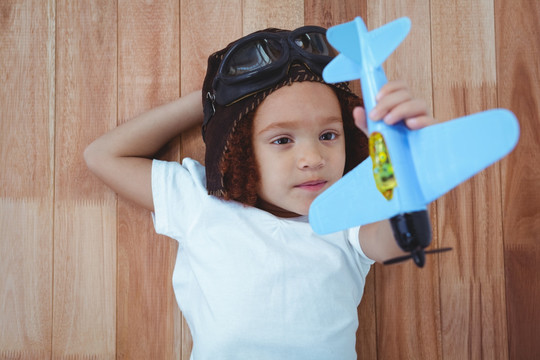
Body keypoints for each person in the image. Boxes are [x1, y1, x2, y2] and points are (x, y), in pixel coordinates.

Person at [85, 26, 433, 360]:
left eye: (328, 135)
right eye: (282, 140)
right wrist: (209, 104)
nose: (313, 159)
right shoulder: (198, 202)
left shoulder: (348, 215)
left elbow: (396, 239)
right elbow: (103, 156)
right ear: (240, 150)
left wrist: (407, 168)